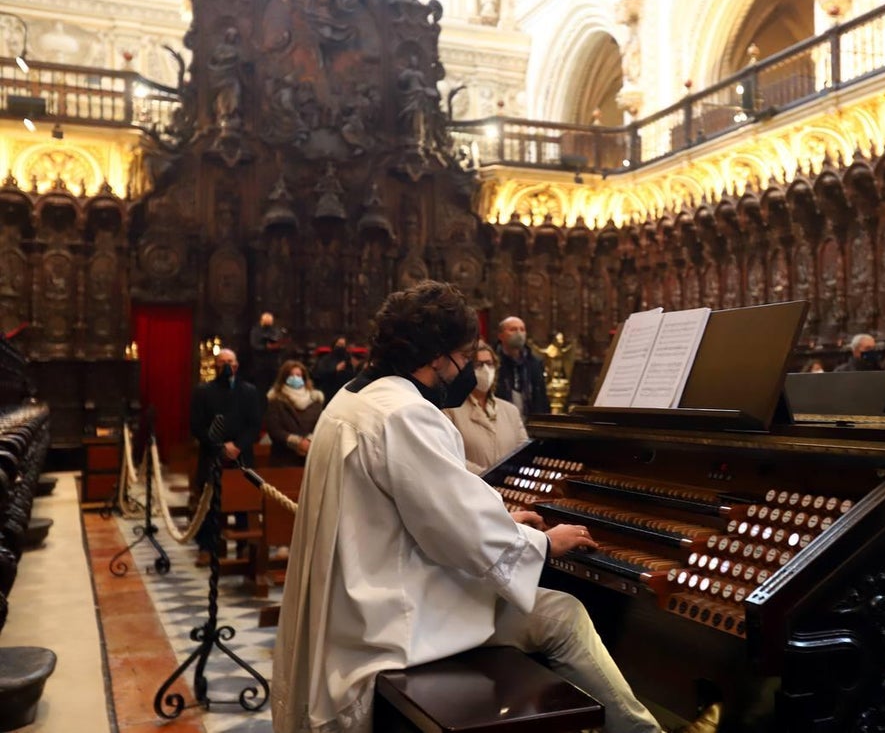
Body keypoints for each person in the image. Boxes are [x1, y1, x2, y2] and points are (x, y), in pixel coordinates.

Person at [271, 281, 662, 733]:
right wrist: (544, 541)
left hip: (357, 609)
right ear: (438, 356)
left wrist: (505, 524)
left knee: (546, 607)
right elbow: (463, 531)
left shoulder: (352, 399)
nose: (467, 372)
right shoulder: (406, 413)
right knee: (565, 614)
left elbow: (427, 515)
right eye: (464, 356)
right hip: (394, 626)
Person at [189, 348, 261, 564]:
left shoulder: (249, 391)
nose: (228, 365)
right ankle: (207, 547)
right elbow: (197, 426)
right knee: (209, 504)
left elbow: (254, 424)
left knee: (243, 502)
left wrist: (238, 446)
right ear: (216, 365)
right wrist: (220, 446)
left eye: (231, 361)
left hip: (242, 456)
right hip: (212, 455)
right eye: (223, 362)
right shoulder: (203, 391)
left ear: (237, 365)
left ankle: (244, 546)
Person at [444, 340, 528, 474]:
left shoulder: (510, 410)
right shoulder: (450, 410)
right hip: (472, 486)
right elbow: (451, 455)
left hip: (507, 487)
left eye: (489, 363)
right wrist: (489, 476)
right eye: (478, 364)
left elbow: (523, 451)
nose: (485, 370)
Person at [264, 360, 324, 467]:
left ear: (304, 378)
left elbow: (321, 425)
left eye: (298, 375)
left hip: (310, 456)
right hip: (283, 458)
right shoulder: (275, 400)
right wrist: (297, 443)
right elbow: (274, 429)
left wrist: (309, 441)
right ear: (284, 378)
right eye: (291, 375)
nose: (295, 378)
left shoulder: (315, 400)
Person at [494, 315, 548, 420]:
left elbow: (541, 398)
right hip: (501, 419)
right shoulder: (493, 362)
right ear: (500, 335)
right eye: (513, 329)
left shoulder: (534, 363)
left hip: (530, 422)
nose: (519, 334)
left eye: (522, 330)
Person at [312, 336, 358, 408]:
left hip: (343, 395)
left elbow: (352, 376)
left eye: (343, 345)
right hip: (328, 394)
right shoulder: (326, 359)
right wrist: (335, 369)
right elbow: (319, 374)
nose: (341, 347)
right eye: (339, 344)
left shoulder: (348, 360)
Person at [249, 311, 289, 396]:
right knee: (261, 389)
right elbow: (254, 344)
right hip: (260, 364)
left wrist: (278, 346)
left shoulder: (276, 330)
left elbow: (282, 343)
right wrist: (266, 347)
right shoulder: (256, 331)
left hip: (274, 364)